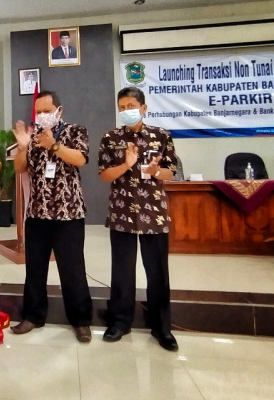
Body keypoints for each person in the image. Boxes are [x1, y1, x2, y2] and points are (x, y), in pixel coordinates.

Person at [97, 86, 179, 351]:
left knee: (158, 274)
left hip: (153, 214)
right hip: (122, 214)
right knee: (122, 272)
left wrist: (156, 171)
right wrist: (127, 164)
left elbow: (171, 173)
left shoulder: (161, 135)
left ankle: (162, 327)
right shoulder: (111, 138)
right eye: (121, 107)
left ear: (143, 108)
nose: (126, 111)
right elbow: (104, 175)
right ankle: (120, 322)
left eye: (130, 106)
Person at [11, 91, 93, 342]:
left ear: (60, 110)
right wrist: (24, 147)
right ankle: (33, 316)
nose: (43, 116)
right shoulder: (32, 137)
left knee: (73, 269)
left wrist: (54, 146)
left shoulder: (76, 131)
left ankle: (80, 321)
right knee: (35, 269)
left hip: (68, 213)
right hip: (37, 213)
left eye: (47, 110)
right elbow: (19, 168)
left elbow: (80, 159)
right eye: (39, 112)